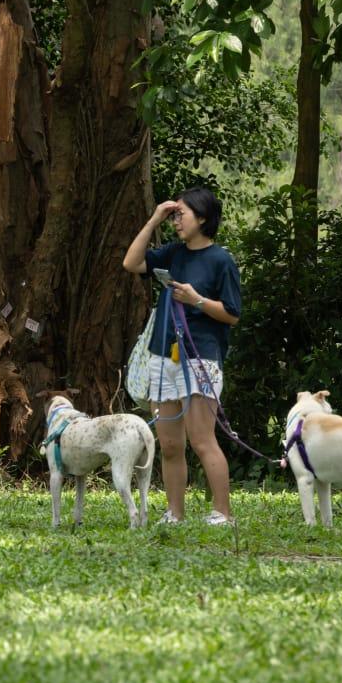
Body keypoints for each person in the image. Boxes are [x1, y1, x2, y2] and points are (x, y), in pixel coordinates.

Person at [121, 186, 243, 526]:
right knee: (170, 444)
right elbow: (131, 262)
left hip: (200, 357)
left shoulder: (221, 260)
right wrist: (154, 219)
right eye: (173, 216)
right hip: (164, 357)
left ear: (202, 218)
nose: (176, 221)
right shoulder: (173, 253)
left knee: (202, 440)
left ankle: (223, 513)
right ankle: (174, 513)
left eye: (181, 214)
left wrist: (197, 301)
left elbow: (232, 314)